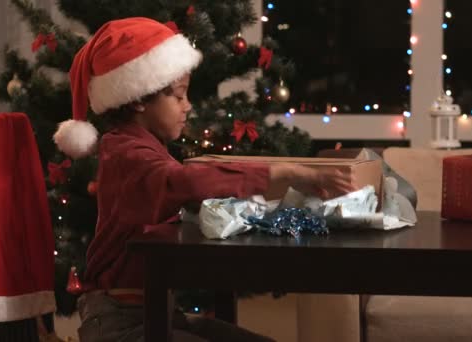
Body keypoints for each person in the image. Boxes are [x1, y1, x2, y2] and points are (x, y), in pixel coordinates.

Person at [53, 17, 355, 341]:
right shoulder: (126, 152)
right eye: (179, 96)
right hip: (121, 326)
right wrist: (285, 172)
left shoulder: (147, 146)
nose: (189, 106)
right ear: (140, 98)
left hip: (157, 313)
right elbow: (184, 183)